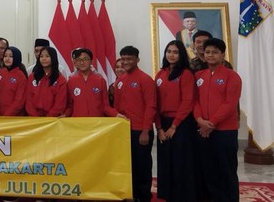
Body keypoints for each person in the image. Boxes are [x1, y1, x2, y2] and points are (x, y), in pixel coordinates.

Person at [194, 38, 241, 202]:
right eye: (207, 52)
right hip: (203, 130)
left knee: (226, 170)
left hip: (224, 132)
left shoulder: (232, 77)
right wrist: (200, 120)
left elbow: (230, 104)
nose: (211, 55)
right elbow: (196, 101)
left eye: (215, 52)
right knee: (209, 170)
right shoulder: (199, 75)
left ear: (222, 55)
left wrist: (210, 123)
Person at [154, 40, 197, 202]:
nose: (171, 55)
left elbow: (188, 101)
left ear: (181, 55)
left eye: (175, 52)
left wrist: (174, 126)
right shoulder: (160, 74)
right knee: (166, 160)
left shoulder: (186, 74)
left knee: (180, 161)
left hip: (181, 124)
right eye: (169, 51)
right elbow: (155, 103)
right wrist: (159, 128)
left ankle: (182, 195)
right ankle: (168, 194)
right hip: (162, 124)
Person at [113, 46, 156, 202]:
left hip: (140, 131)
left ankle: (144, 196)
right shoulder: (120, 81)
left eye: (129, 59)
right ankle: (131, 194)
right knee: (128, 165)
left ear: (137, 60)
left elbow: (151, 106)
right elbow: (117, 108)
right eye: (123, 59)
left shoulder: (145, 80)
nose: (125, 62)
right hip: (124, 131)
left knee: (142, 166)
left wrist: (145, 130)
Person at [65, 48, 120, 118]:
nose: (82, 62)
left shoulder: (100, 80)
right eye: (79, 60)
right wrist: (65, 114)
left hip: (97, 123)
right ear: (76, 62)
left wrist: (116, 114)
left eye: (85, 59)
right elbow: (70, 105)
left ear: (91, 61)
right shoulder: (71, 81)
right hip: (78, 123)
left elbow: (105, 106)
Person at [25, 46, 67, 117]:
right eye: (41, 56)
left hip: (51, 119)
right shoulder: (32, 76)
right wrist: (34, 116)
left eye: (47, 56)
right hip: (33, 118)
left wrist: (48, 118)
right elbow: (28, 99)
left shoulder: (60, 79)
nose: (44, 59)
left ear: (53, 58)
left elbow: (60, 104)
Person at [0, 46, 27, 116]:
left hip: (14, 118)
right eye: (5, 56)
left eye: (11, 56)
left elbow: (19, 102)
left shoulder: (21, 76)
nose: (7, 59)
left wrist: (6, 116)